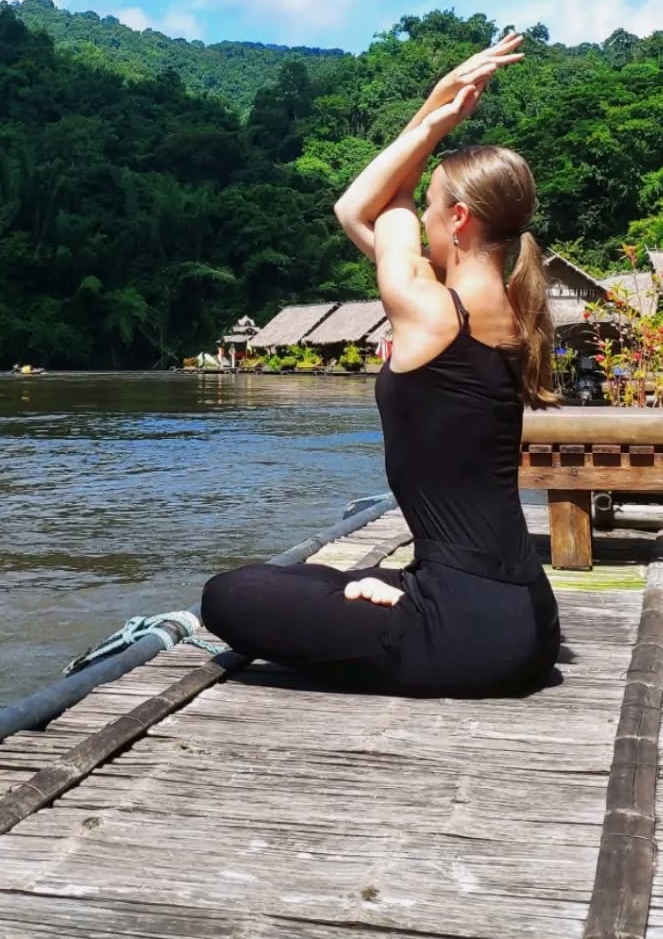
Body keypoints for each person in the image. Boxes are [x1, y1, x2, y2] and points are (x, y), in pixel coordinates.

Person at [201, 34, 562, 696]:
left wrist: (433, 118)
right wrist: (432, 113)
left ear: (458, 219)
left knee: (228, 595)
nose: (419, 218)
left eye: (430, 208)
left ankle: (415, 604)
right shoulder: (514, 310)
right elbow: (378, 210)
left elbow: (357, 207)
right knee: (313, 579)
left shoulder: (430, 310)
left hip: (468, 636)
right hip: (529, 616)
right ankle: (409, 593)